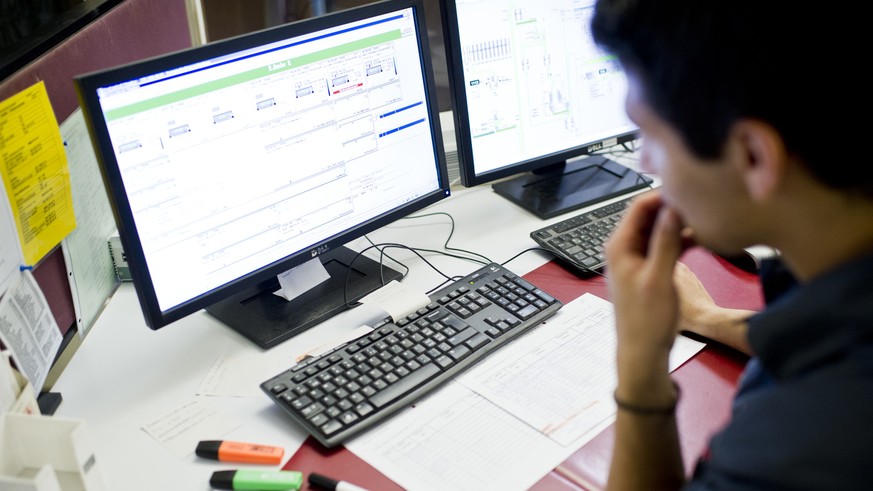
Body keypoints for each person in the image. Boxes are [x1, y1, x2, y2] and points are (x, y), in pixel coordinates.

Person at [590, 1, 873, 489]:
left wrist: (639, 369)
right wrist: (704, 316)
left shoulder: (790, 456)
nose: (646, 162)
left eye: (651, 135)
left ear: (753, 155)